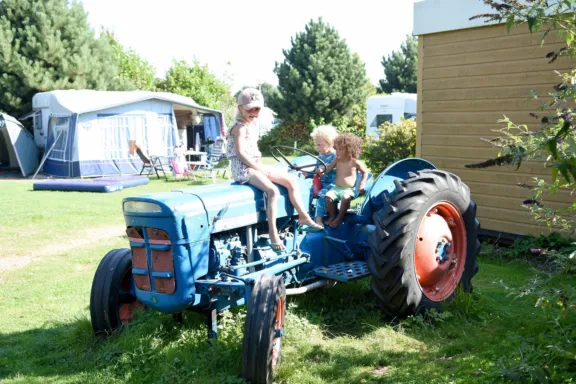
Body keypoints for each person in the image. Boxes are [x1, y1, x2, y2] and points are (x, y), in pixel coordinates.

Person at [226, 87, 323, 252]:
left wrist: (260, 167)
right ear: (240, 108)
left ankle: (303, 217)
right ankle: (273, 233)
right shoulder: (240, 128)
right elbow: (241, 153)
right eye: (250, 109)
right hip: (243, 168)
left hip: (255, 165)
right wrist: (260, 169)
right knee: (272, 191)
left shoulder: (251, 125)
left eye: (257, 109)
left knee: (291, 180)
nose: (254, 113)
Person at [321, 133, 368, 228]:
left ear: (350, 150)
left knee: (345, 198)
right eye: (336, 149)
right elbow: (329, 168)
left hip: (348, 190)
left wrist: (361, 184)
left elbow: (365, 172)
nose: (337, 152)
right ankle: (333, 215)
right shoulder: (337, 160)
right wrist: (322, 170)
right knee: (328, 198)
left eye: (340, 149)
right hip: (336, 188)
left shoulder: (355, 163)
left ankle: (339, 218)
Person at [306, 125, 338, 225]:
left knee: (321, 194)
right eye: (316, 145)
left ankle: (318, 220)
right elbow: (315, 171)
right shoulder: (320, 156)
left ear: (329, 142)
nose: (316, 147)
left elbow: (339, 170)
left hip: (333, 184)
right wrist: (306, 173)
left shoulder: (336, 156)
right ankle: (308, 215)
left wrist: (325, 169)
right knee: (308, 193)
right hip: (321, 183)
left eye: (319, 145)